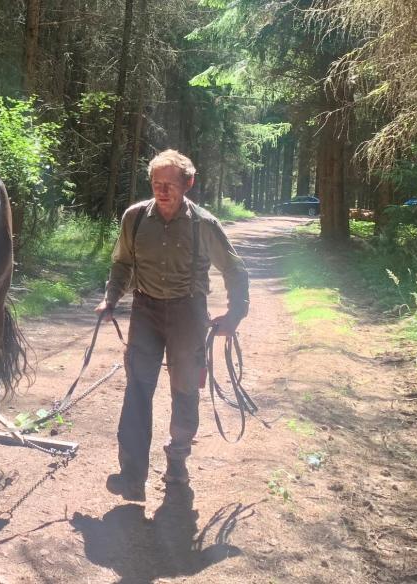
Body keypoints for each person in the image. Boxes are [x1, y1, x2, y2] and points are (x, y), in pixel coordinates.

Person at [96, 149, 250, 502]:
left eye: (169, 184)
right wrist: (111, 299)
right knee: (137, 391)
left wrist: (234, 314)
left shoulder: (204, 225)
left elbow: (234, 269)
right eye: (156, 183)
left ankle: (177, 461)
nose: (162, 191)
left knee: (184, 391)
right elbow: (121, 264)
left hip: (188, 315)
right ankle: (132, 476)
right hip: (145, 311)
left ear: (188, 184)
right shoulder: (134, 218)